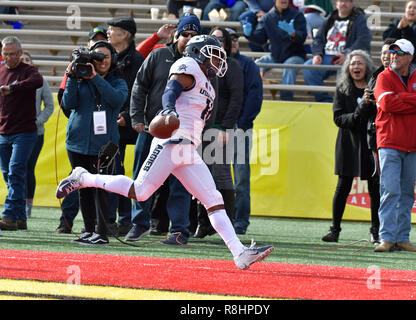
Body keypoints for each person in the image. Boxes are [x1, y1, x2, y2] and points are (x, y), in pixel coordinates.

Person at [56, 35, 273, 270]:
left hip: (187, 146)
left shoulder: (208, 82)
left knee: (213, 199)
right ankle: (83, 177)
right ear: (198, 52)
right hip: (172, 140)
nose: (217, 59)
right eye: (212, 53)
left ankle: (239, 253)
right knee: (140, 191)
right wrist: (168, 108)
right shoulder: (188, 65)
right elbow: (171, 89)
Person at [124, 14, 201, 244]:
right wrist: (136, 117)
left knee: (182, 183)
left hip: (184, 133)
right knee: (141, 176)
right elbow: (139, 86)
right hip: (152, 128)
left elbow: (209, 98)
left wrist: (200, 130)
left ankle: (179, 230)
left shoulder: (201, 63)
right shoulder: (159, 54)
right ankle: (139, 224)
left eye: (193, 35)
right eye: (184, 34)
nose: (188, 39)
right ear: (177, 34)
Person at [61, 40, 128, 245]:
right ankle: (89, 230)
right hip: (77, 143)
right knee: (84, 187)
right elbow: (68, 103)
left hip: (105, 145)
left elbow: (116, 100)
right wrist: (71, 77)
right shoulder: (80, 80)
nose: (102, 61)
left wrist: (95, 77)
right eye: (97, 56)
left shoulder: (118, 82)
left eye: (106, 57)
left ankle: (102, 232)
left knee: (102, 188)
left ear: (113, 59)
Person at [373, 39, 416, 252]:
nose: (394, 56)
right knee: (390, 191)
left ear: (410, 57)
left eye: (400, 53)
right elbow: (387, 103)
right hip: (389, 142)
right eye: (393, 52)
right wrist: (415, 101)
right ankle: (387, 238)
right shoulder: (383, 77)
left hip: (413, 145)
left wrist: (404, 97)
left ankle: (402, 238)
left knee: (407, 193)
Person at [321, 50, 378, 243]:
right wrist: (357, 114)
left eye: (360, 63)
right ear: (348, 68)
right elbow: (338, 118)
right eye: (353, 64)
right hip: (348, 143)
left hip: (370, 142)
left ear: (367, 67)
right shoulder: (342, 89)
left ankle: (376, 231)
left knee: (375, 189)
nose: (356, 67)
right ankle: (334, 230)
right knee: (342, 187)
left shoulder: (375, 88)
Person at [55, 26, 109, 234]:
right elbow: (64, 100)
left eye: (102, 41)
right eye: (94, 42)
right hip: (80, 137)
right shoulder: (76, 66)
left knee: (100, 180)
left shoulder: (112, 72)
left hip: (103, 138)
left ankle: (104, 226)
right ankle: (67, 220)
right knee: (77, 179)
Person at [193, 27, 244, 238]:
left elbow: (236, 100)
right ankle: (201, 224)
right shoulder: (201, 66)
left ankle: (228, 225)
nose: (217, 42)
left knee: (222, 176)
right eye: (213, 39)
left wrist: (225, 127)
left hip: (220, 127)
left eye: (221, 39)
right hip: (199, 126)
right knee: (198, 177)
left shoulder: (232, 67)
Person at [351, 38, 396, 244]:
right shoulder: (376, 76)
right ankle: (377, 230)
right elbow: (363, 111)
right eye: (383, 52)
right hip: (377, 138)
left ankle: (397, 233)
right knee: (377, 187)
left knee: (397, 189)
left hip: (399, 138)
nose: (386, 56)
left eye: (390, 52)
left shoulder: (406, 76)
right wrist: (366, 103)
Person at [106, 16, 145, 236]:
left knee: (136, 172)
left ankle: (127, 219)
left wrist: (126, 115)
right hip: (113, 125)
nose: (109, 32)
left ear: (125, 34)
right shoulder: (107, 57)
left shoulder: (138, 60)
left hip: (131, 124)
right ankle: (114, 219)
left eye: (113, 29)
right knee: (112, 169)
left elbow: (138, 92)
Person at [0, 36, 43, 231]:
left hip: (25, 132)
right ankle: (19, 217)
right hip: (3, 131)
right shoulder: (0, 71)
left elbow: (37, 81)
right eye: (5, 54)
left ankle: (8, 215)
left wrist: (12, 89)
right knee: (9, 174)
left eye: (12, 54)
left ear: (19, 53)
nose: (8, 58)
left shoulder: (28, 71)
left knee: (16, 170)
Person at [226, 27, 263, 235]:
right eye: (229, 40)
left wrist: (241, 123)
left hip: (239, 128)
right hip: (219, 128)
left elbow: (254, 98)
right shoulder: (216, 64)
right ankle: (214, 221)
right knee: (213, 178)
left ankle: (240, 221)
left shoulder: (248, 65)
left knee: (240, 178)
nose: (233, 43)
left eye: (235, 39)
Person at [302, 0, 371, 102]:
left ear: (352, 4)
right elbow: (318, 39)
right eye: (341, 1)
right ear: (336, 3)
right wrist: (317, 54)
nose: (343, 4)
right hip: (327, 56)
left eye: (347, 1)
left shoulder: (359, 19)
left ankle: (342, 104)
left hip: (348, 57)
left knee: (347, 69)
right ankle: (326, 101)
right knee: (308, 68)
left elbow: (363, 40)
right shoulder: (330, 18)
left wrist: (347, 54)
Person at [241, 0, 308, 101]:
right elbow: (260, 39)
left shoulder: (297, 15)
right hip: (275, 56)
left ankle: (286, 100)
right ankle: (252, 95)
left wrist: (293, 33)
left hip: (295, 55)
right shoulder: (267, 17)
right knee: (257, 64)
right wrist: (249, 34)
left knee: (290, 66)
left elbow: (302, 38)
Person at [20, 51, 55, 218]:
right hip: (11, 131)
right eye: (22, 60)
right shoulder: (9, 79)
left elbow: (49, 106)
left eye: (28, 59)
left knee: (27, 168)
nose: (25, 62)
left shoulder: (40, 81)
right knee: (13, 169)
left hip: (35, 133)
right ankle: (15, 203)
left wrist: (37, 121)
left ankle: (27, 205)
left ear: (32, 63)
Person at [383, 0, 416, 69]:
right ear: (405, 10)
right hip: (395, 60)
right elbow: (387, 39)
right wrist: (398, 29)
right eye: (409, 7)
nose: (412, 10)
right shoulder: (397, 22)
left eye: (415, 8)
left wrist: (406, 28)